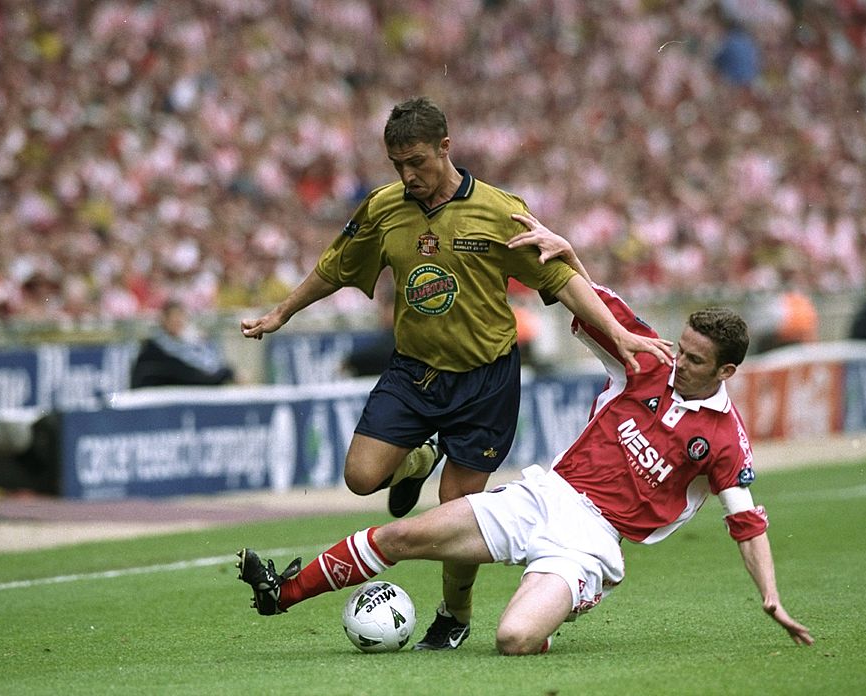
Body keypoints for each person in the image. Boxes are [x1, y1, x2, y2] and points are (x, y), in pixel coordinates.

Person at [234, 220, 815, 655]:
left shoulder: (724, 440)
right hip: (545, 495)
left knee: (513, 639)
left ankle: (560, 603)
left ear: (726, 372)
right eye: (681, 347)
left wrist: (771, 595)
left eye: (694, 359)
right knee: (399, 536)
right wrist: (571, 255)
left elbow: (746, 523)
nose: (678, 360)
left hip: (590, 543)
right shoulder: (647, 361)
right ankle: (279, 595)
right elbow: (592, 304)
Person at [239, 96, 674, 649]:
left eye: (416, 161)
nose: (407, 175)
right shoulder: (383, 208)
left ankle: (454, 615)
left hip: (485, 381)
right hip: (414, 372)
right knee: (360, 477)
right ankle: (418, 458)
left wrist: (620, 335)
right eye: (397, 164)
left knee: (456, 515)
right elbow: (335, 266)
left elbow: (561, 280)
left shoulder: (498, 211)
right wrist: (283, 311)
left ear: (446, 148)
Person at [130, 300, 236, 388]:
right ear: (164, 320)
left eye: (180, 317)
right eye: (174, 318)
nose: (178, 321)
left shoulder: (190, 344)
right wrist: (225, 374)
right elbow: (189, 375)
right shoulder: (154, 349)